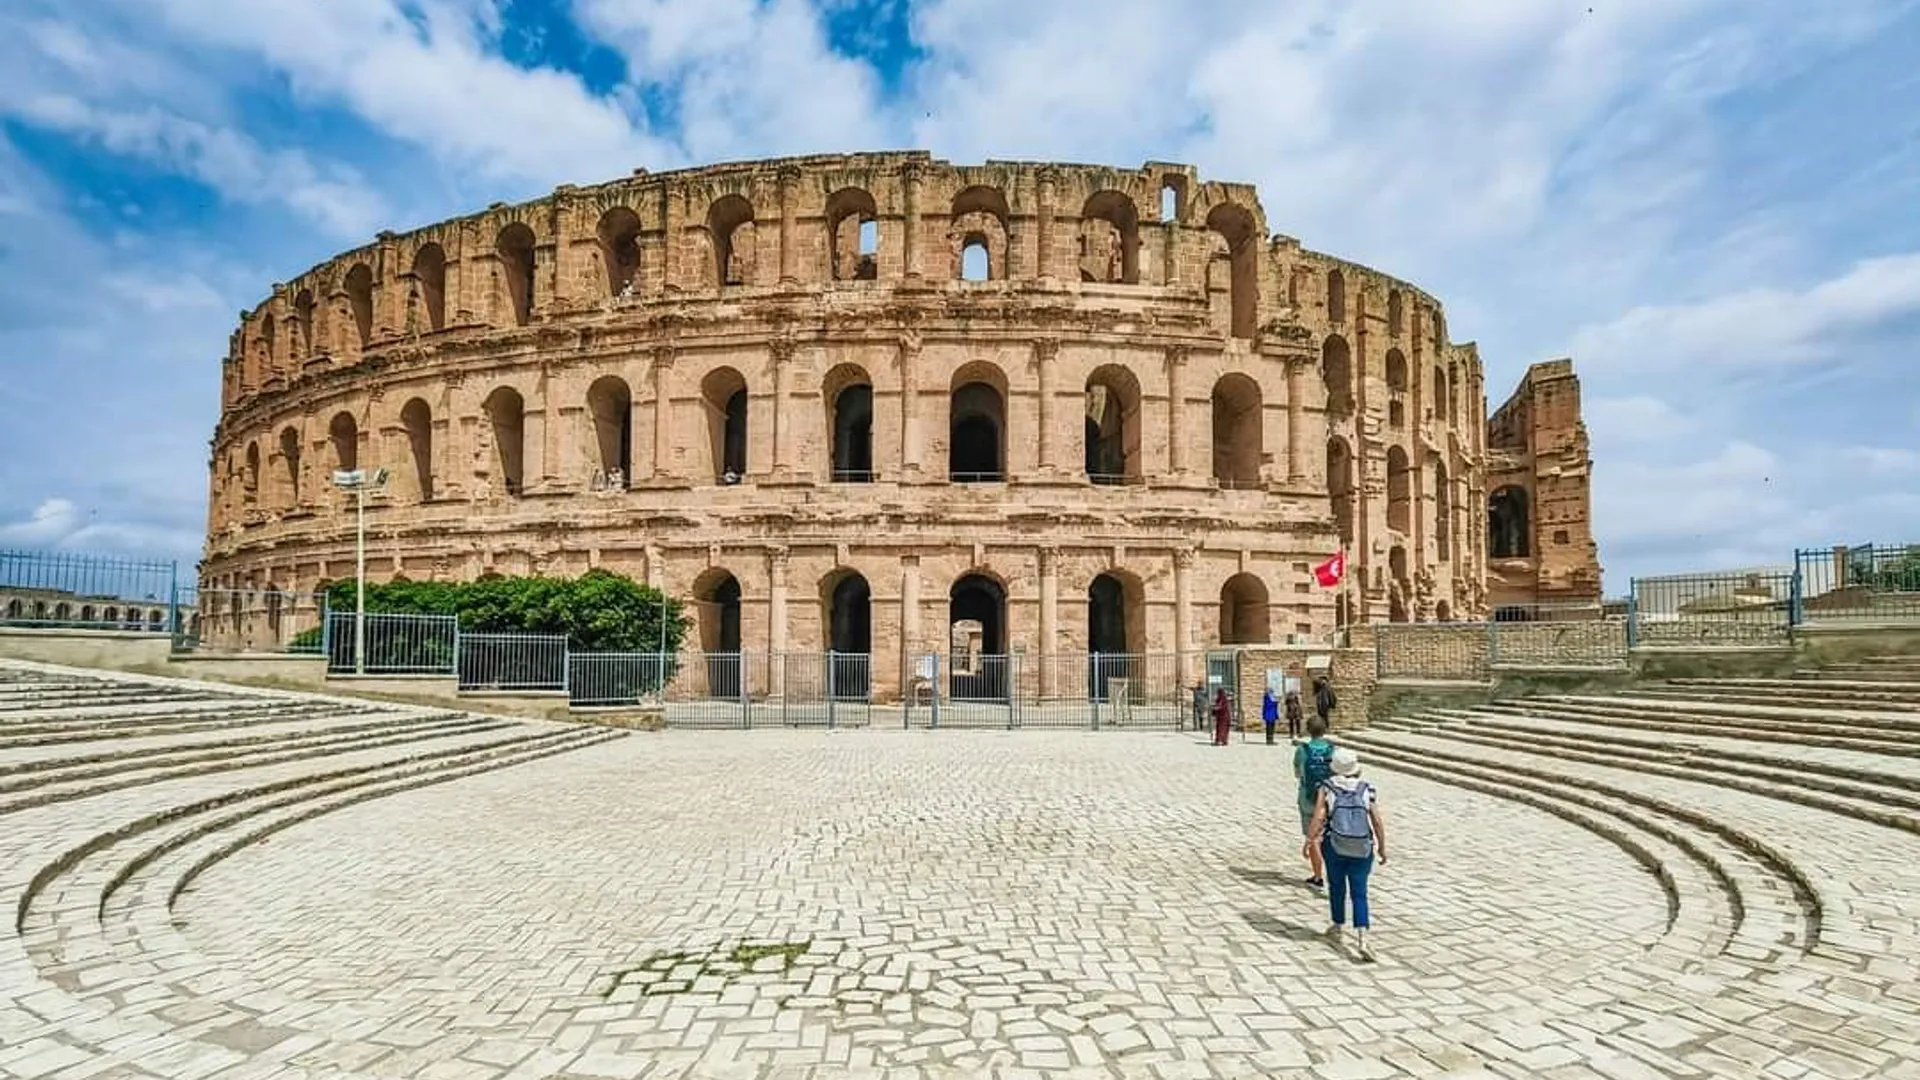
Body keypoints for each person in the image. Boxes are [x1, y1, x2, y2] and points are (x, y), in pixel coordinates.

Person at [1302, 746, 1388, 961]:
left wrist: (1309, 839)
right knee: (1360, 892)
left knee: (1337, 886)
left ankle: (1337, 924)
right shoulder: (1367, 789)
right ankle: (1362, 937)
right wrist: (1382, 846)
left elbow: (1320, 816)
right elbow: (1376, 820)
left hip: (1335, 844)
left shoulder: (1327, 787)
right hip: (1362, 847)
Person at [1292, 715, 1337, 888]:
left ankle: (1318, 875)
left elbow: (1297, 773)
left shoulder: (1302, 751)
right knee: (1330, 836)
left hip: (1307, 797)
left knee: (1313, 836)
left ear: (1308, 730)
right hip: (1329, 797)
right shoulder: (1332, 750)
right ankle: (1334, 873)